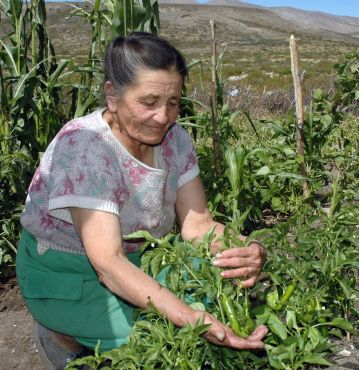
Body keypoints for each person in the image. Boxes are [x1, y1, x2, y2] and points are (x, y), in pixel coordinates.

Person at [16, 32, 267, 369]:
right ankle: (61, 335)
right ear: (113, 95)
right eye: (149, 102)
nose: (163, 117)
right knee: (164, 336)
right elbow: (108, 263)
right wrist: (188, 317)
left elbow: (198, 224)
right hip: (67, 273)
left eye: (173, 102)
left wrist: (243, 250)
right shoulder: (86, 147)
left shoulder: (174, 140)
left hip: (137, 259)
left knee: (226, 297)